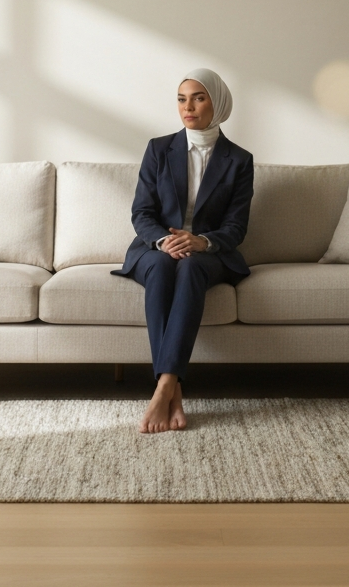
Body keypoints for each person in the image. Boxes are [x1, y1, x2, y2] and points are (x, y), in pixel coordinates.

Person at [112, 68, 253, 432]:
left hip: (209, 253)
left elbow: (236, 228)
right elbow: (141, 212)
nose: (187, 106)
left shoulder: (239, 160)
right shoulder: (159, 149)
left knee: (190, 268)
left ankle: (163, 388)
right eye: (181, 98)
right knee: (161, 266)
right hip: (154, 247)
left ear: (217, 103)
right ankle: (171, 389)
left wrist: (202, 241)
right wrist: (165, 240)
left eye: (198, 97)